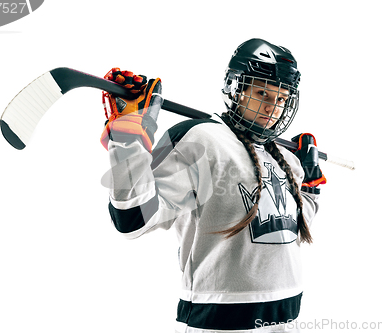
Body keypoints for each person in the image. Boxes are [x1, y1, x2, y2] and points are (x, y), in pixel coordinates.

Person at [100, 38, 326, 332]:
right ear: (237, 90)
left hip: (287, 312)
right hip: (222, 318)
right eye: (262, 93)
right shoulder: (201, 138)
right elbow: (133, 217)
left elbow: (292, 228)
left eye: (281, 99)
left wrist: (309, 181)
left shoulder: (283, 155)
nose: (273, 108)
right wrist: (128, 135)